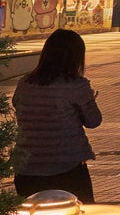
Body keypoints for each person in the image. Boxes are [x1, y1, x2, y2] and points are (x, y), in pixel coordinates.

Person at [12, 28, 102, 202]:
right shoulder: (77, 85)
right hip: (68, 167)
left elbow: (19, 108)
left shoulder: (24, 84)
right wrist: (89, 100)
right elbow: (93, 120)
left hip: (27, 168)